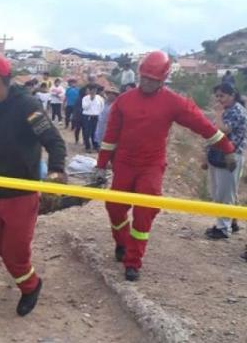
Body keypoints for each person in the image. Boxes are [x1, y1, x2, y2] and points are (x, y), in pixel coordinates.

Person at [93, 51, 236, 282]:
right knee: (115, 208)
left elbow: (202, 126)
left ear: (163, 80)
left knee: (144, 214)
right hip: (124, 164)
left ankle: (133, 261)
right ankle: (122, 241)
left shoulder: (174, 103)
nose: (147, 82)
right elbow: (110, 136)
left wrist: (227, 148)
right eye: (144, 78)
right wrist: (100, 165)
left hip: (151, 166)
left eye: (153, 79)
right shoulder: (124, 101)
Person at [0, 55, 67, 332]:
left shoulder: (28, 107)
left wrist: (55, 172)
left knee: (13, 254)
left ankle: (31, 285)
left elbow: (54, 142)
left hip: (21, 194)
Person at [203, 83, 247, 239]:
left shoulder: (238, 112)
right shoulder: (227, 111)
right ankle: (231, 221)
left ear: (232, 95)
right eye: (217, 96)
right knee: (220, 192)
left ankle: (223, 228)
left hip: (230, 158)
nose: (219, 99)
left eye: (222, 96)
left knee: (224, 194)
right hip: (217, 156)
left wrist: (218, 114)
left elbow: (222, 130)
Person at [81, 84, 104, 152]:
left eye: (95, 90)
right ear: (89, 90)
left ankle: (95, 146)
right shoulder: (85, 98)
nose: (94, 92)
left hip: (96, 116)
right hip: (87, 116)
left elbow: (102, 107)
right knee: (87, 132)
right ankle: (87, 147)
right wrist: (91, 99)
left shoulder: (99, 98)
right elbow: (84, 107)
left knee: (95, 132)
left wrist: (99, 114)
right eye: (92, 90)